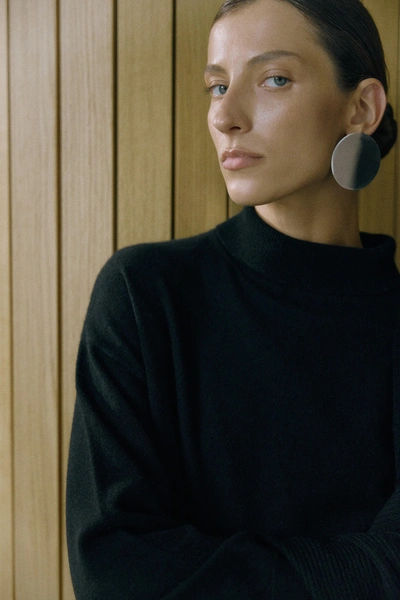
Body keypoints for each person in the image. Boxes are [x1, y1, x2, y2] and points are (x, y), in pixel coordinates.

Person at [66, 0, 400, 598]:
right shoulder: (146, 296)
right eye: (218, 86)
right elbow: (112, 568)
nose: (225, 115)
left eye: (274, 79)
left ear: (362, 109)